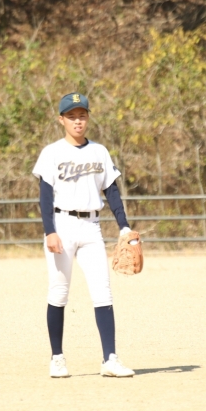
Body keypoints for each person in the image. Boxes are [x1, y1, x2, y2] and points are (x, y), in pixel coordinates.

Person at [32, 92, 135, 378]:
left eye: (82, 115)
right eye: (71, 116)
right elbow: (45, 195)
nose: (77, 121)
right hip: (62, 225)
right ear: (61, 120)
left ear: (88, 118)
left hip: (91, 227)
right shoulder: (52, 152)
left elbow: (111, 191)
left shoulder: (99, 152)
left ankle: (110, 359)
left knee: (103, 291)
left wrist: (124, 226)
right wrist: (50, 231)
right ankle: (57, 358)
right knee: (59, 291)